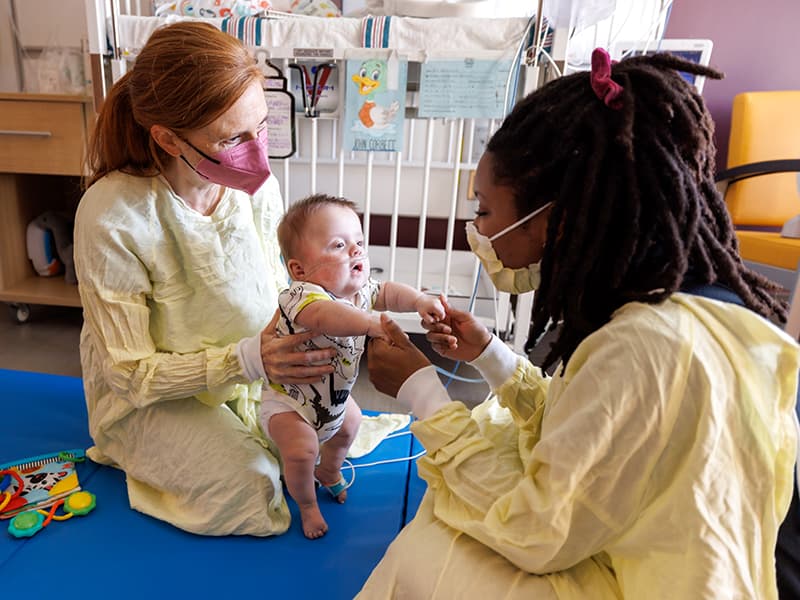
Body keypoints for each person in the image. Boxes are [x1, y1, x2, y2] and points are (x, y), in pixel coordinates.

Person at [359, 49, 800, 598]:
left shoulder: (642, 344)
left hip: (657, 578)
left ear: (556, 219)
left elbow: (535, 531)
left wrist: (421, 390)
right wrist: (489, 354)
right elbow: (582, 424)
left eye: (485, 211)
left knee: (426, 556)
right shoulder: (670, 300)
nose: (478, 231)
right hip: (649, 533)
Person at [73, 21, 339, 536]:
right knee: (252, 492)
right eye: (233, 138)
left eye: (261, 127)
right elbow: (128, 374)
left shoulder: (255, 189)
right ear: (168, 138)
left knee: (329, 440)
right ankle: (132, 447)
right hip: (150, 398)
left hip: (253, 374)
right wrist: (247, 359)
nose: (257, 153)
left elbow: (281, 289)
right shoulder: (113, 216)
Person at [262, 193, 445, 539]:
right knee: (302, 452)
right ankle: (306, 504)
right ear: (299, 270)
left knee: (352, 424)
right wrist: (371, 323)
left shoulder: (360, 292)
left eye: (359, 242)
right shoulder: (301, 297)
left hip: (335, 401)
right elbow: (330, 318)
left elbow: (389, 292)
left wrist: (420, 300)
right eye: (338, 245)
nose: (356, 251)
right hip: (289, 404)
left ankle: (329, 471)